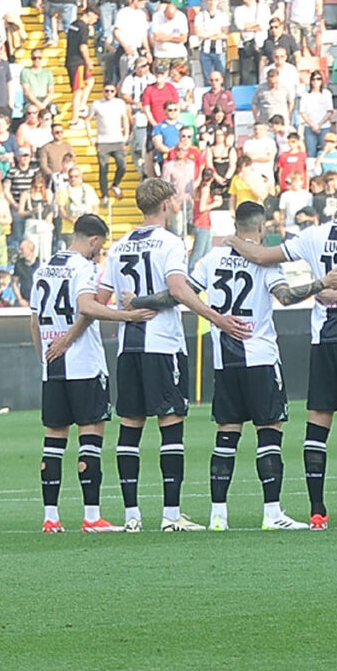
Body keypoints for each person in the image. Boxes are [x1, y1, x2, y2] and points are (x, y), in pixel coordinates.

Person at [227, 180, 337, 527]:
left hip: (322, 339)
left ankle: (317, 512)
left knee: (318, 422)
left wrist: (232, 238)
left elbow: (263, 255)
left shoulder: (314, 234)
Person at [107, 176, 252, 530]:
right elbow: (178, 290)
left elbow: (102, 298)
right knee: (170, 428)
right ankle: (172, 516)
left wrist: (127, 313)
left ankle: (131, 517)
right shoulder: (171, 243)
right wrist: (216, 317)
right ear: (165, 205)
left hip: (129, 346)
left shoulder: (118, 245)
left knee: (130, 429)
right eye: (173, 201)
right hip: (162, 344)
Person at [195, 201, 331, 530]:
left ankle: (218, 515)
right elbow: (285, 297)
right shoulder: (266, 261)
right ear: (260, 227)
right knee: (269, 432)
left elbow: (184, 291)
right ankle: (272, 513)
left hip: (224, 360)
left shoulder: (211, 259)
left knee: (226, 435)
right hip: (259, 356)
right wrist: (320, 284)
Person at [30, 212, 148, 531]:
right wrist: (127, 315)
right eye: (101, 245)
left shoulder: (43, 268)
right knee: (91, 437)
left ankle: (51, 518)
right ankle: (92, 515)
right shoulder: (83, 267)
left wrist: (45, 358)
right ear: (93, 240)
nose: (100, 251)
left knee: (53, 440)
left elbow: (34, 320)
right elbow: (87, 306)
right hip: (84, 364)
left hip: (53, 369)